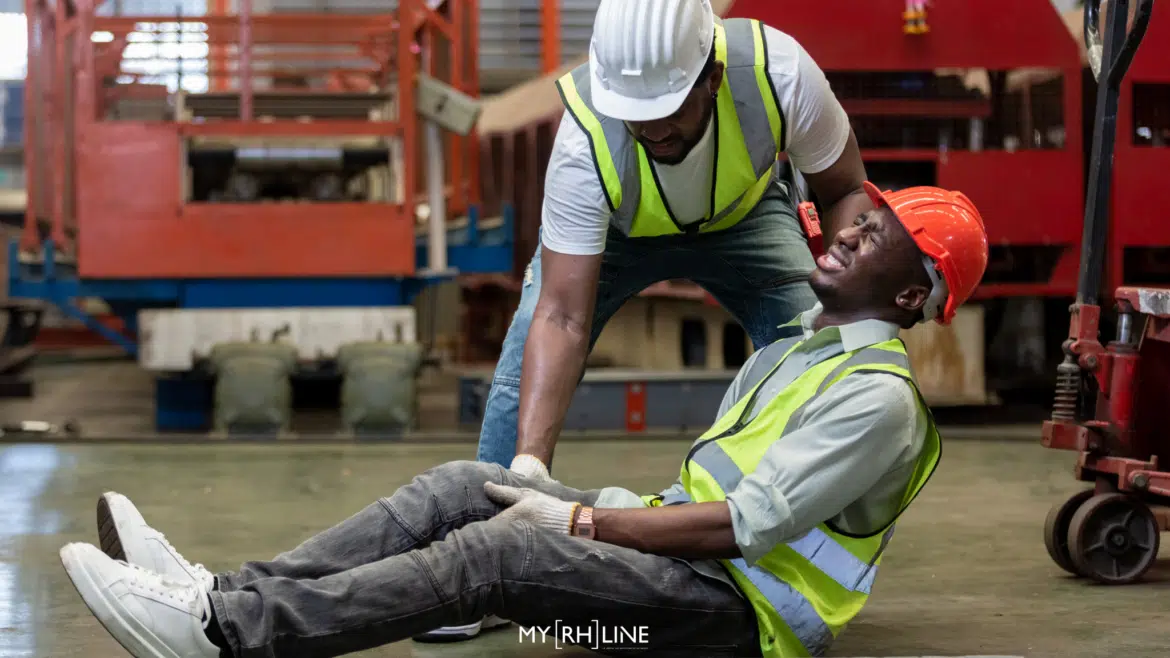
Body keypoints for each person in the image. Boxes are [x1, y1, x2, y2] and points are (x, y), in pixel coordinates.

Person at [58, 183, 989, 658]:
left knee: (499, 554)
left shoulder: (874, 398)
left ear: (911, 293)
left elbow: (740, 526)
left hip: (746, 619)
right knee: (471, 486)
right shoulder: (803, 349)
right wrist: (580, 498)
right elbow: (704, 499)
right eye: (861, 219)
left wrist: (577, 520)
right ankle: (225, 590)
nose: (850, 231)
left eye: (878, 240)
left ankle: (227, 637)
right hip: (699, 571)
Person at [473, 0, 875, 593]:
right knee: (521, 373)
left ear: (711, 77)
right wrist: (530, 465)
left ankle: (789, 537)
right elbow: (561, 317)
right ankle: (486, 555)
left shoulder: (780, 73)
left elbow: (846, 189)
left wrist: (843, 304)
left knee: (817, 347)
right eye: (635, 114)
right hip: (616, 234)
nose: (652, 129)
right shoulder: (584, 139)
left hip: (746, 218)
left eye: (667, 109)